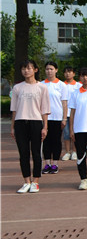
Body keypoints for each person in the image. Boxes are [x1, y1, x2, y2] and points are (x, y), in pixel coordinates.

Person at [11, 60, 50, 193]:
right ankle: (26, 181)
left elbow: (45, 109)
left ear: (35, 70)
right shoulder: (17, 88)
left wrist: (45, 127)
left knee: (36, 153)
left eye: (28, 68)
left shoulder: (42, 87)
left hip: (36, 122)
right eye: (23, 68)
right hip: (20, 122)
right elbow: (14, 109)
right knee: (23, 153)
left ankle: (36, 181)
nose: (26, 71)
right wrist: (12, 127)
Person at [41, 61, 68, 174]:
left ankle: (55, 164)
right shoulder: (41, 84)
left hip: (57, 117)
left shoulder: (61, 85)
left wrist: (64, 118)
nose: (49, 71)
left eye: (51, 69)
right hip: (44, 118)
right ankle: (47, 163)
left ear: (56, 70)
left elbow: (64, 103)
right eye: (47, 69)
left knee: (56, 141)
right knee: (45, 141)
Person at [61, 66, 80, 161]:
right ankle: (67, 152)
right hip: (65, 113)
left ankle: (75, 151)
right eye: (66, 72)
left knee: (75, 133)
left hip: (75, 113)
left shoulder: (78, 85)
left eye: (69, 72)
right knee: (66, 133)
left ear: (74, 74)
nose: (67, 74)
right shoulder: (62, 85)